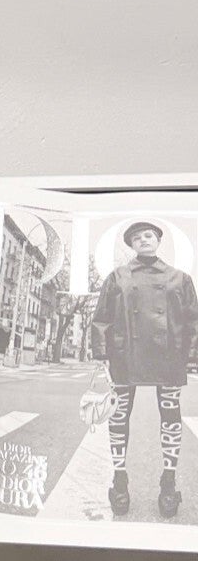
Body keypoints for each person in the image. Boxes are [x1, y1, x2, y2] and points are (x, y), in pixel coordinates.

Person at [88, 221, 198, 520]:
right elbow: (101, 318)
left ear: (158, 240)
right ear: (132, 245)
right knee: (119, 417)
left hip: (169, 356)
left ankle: (168, 482)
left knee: (171, 418)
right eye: (136, 238)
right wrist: (102, 354)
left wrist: (191, 357)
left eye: (148, 235)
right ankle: (119, 480)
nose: (143, 240)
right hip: (125, 356)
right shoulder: (117, 277)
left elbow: (193, 321)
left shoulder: (180, 278)